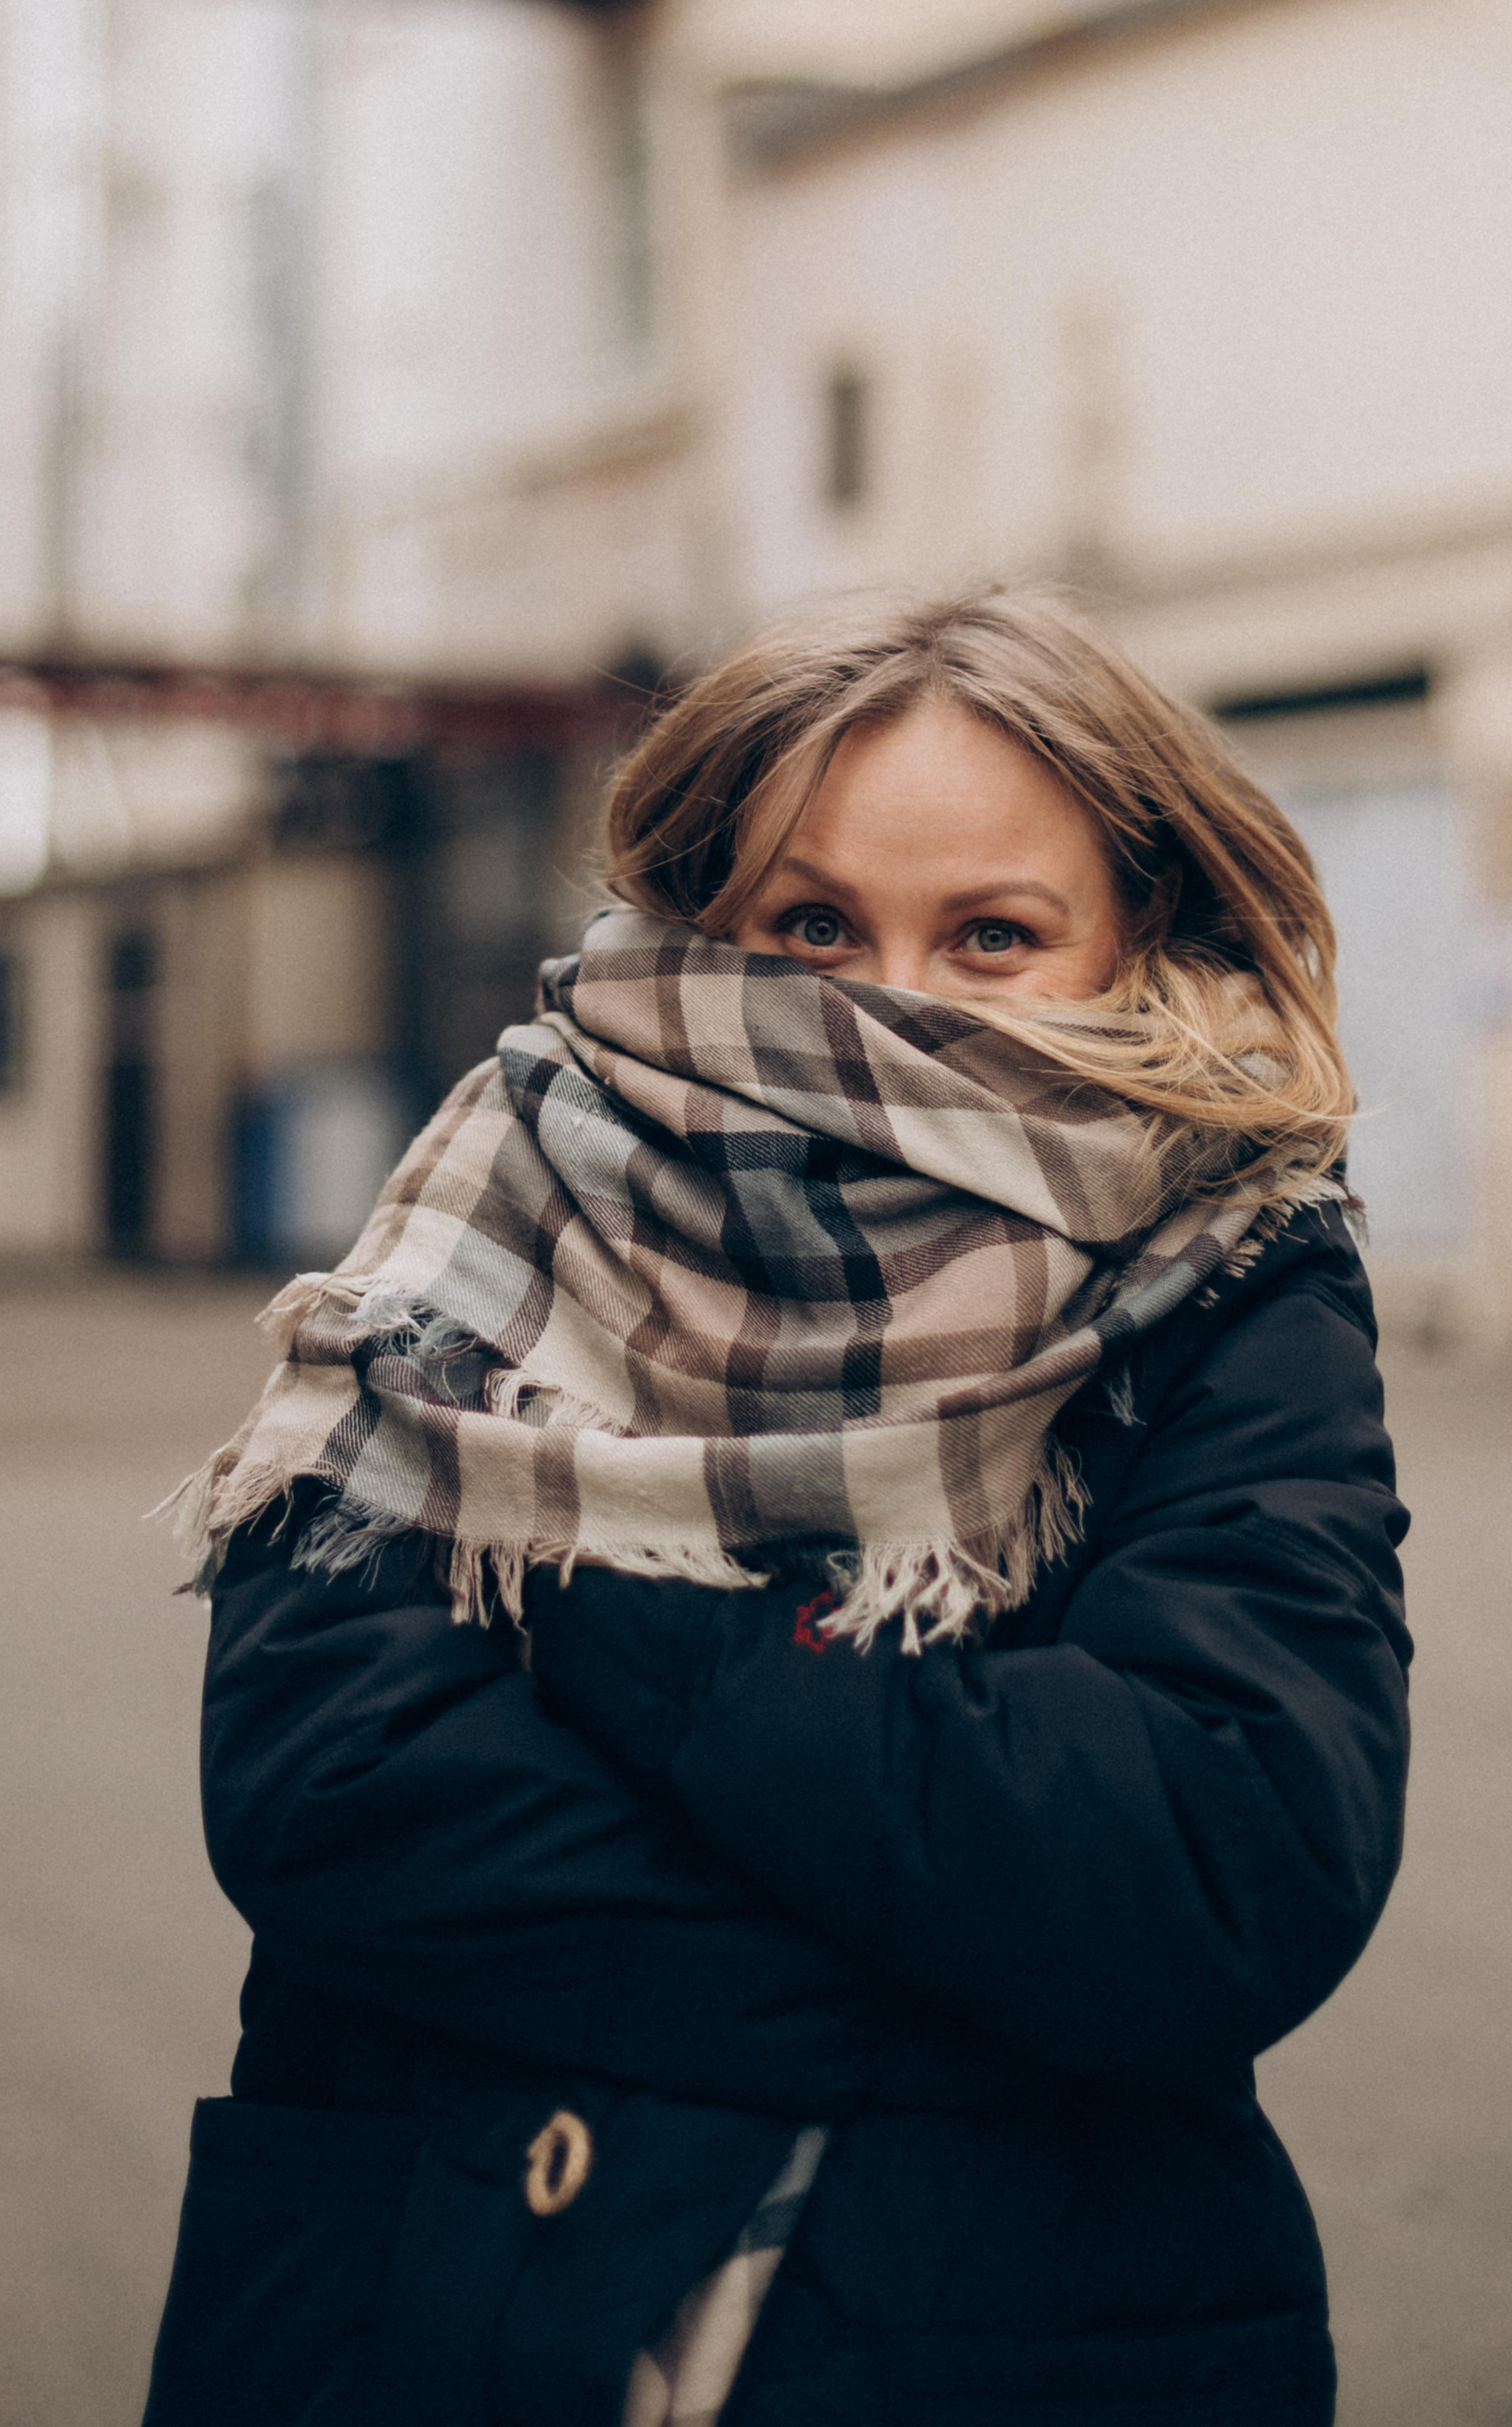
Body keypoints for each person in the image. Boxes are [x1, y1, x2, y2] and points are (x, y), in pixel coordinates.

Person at [142, 587, 1411, 2427]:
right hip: (444, 2293)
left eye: (989, 934)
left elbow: (1210, 1871)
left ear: (1131, 937)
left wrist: (615, 1625)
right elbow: (329, 1786)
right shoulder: (507, 1180)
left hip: (1016, 2341)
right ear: (701, 918)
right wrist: (978, 1999)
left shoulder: (1227, 1259)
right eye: (810, 923)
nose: (881, 1004)